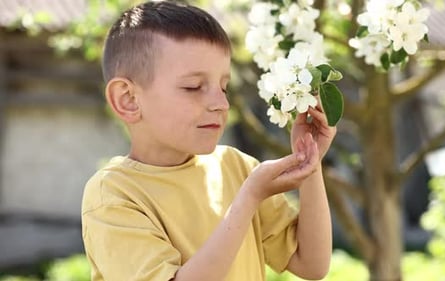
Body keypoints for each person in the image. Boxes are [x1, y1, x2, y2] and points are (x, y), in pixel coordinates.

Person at [81, 1, 336, 280]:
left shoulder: (236, 166)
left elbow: (311, 264)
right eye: (193, 87)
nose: (221, 103)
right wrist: (248, 198)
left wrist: (310, 159)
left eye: (223, 87)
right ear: (128, 99)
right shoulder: (113, 195)